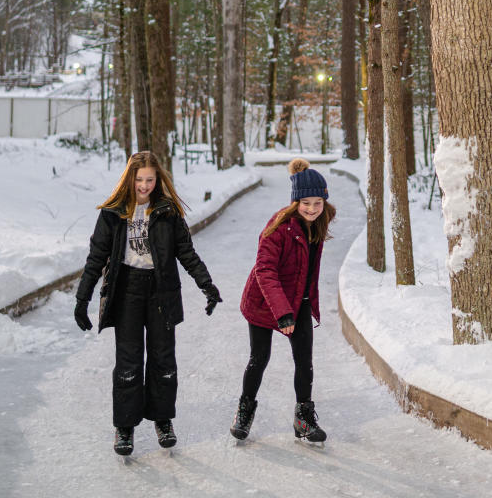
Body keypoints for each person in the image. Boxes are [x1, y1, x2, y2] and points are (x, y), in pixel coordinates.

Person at [73, 150, 222, 456]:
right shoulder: (113, 212)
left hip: (160, 290)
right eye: (139, 179)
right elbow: (96, 257)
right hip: (126, 289)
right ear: (130, 179)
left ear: (158, 179)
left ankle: (163, 420)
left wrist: (207, 285)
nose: (144, 185)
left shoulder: (167, 211)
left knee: (162, 358)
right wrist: (82, 298)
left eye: (150, 179)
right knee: (128, 361)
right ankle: (124, 428)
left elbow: (187, 253)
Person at [232, 157, 333, 444]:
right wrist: (282, 313)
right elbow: (265, 270)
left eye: (318, 203)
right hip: (265, 301)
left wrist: (303, 305)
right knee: (259, 358)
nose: (312, 209)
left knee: (305, 361)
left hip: (297, 301)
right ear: (295, 203)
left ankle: (303, 417)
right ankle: (245, 410)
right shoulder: (278, 227)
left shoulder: (320, 222)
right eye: (306, 203)